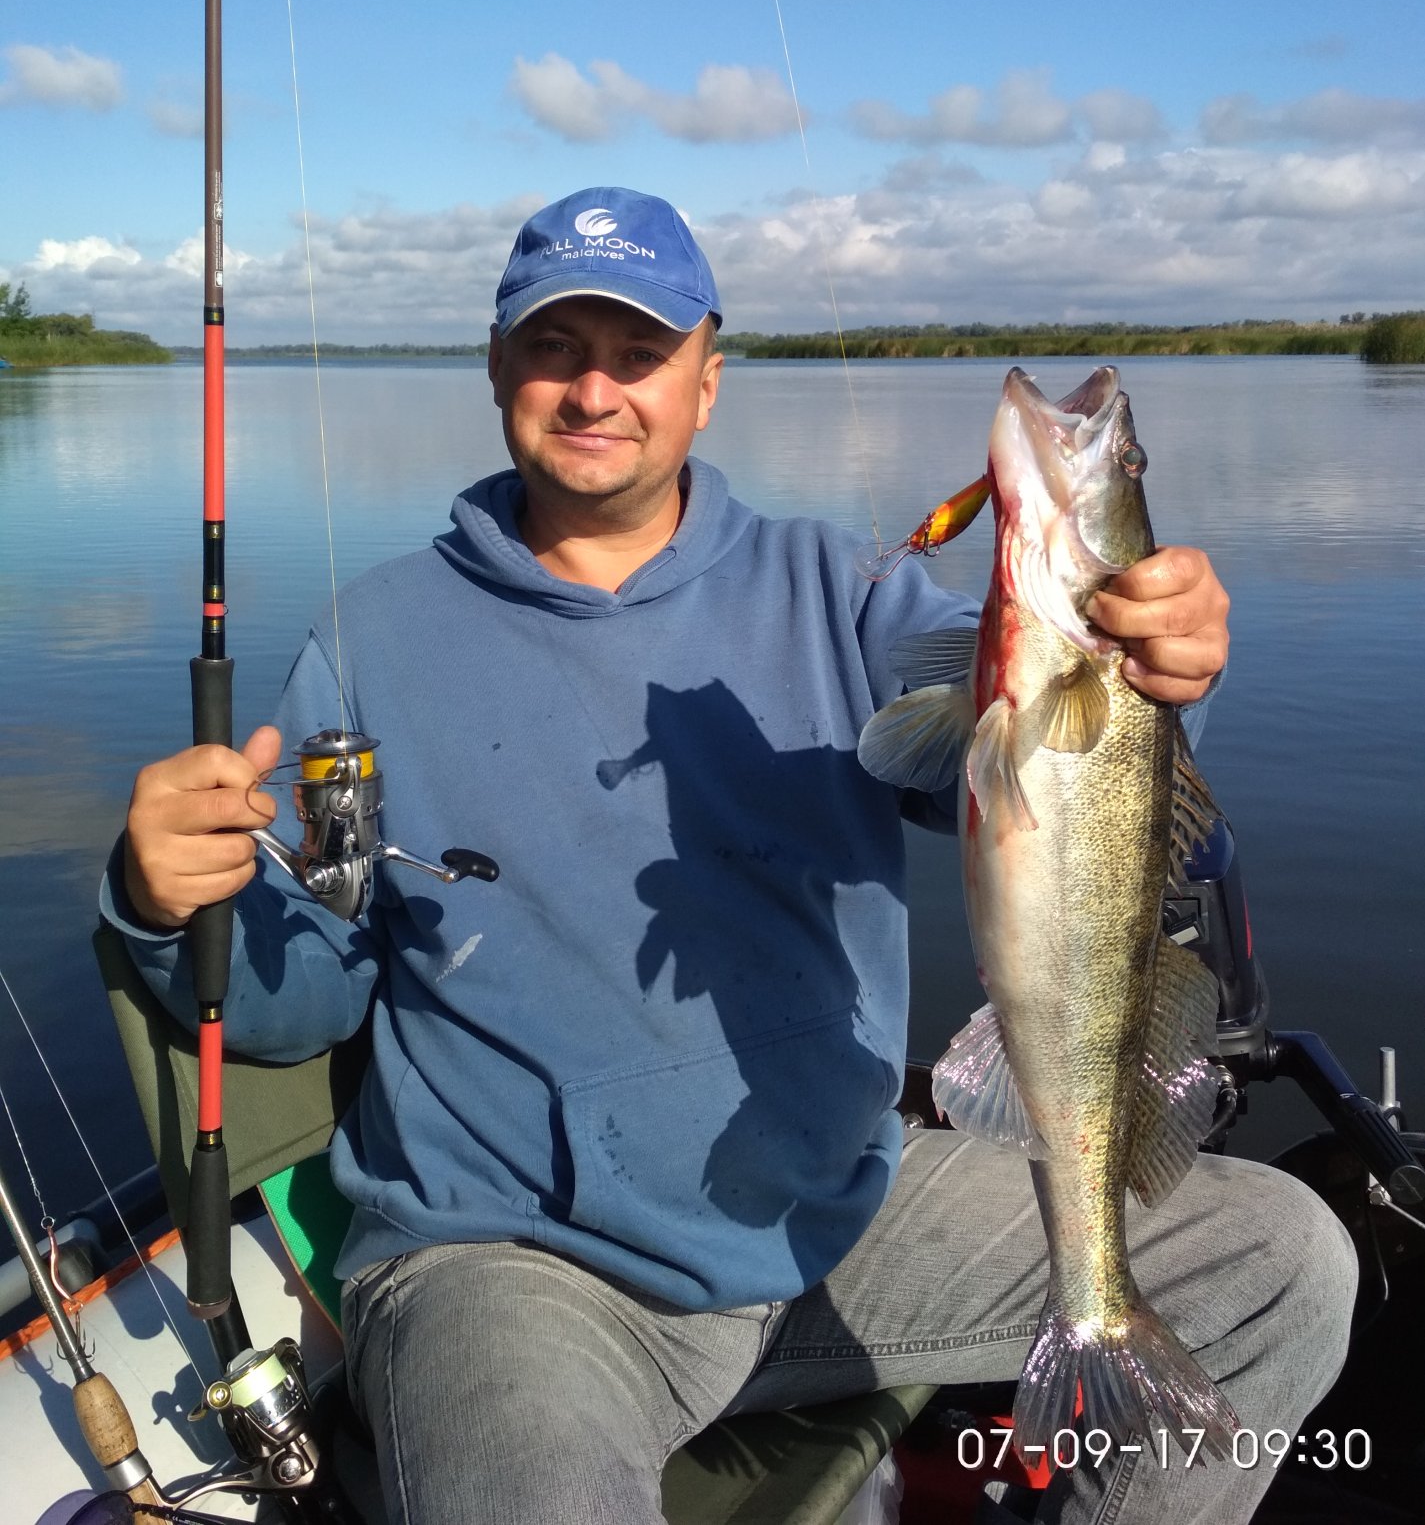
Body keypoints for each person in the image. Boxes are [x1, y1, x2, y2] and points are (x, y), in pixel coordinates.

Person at [108, 188, 1355, 1525]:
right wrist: (166, 901)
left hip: (833, 1217)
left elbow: (1050, 770)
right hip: (513, 1265)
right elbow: (303, 993)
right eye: (555, 347)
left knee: (1283, 1263)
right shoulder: (372, 641)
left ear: (706, 384)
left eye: (639, 352)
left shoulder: (845, 594)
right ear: (497, 370)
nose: (596, 389)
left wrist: (1164, 668)